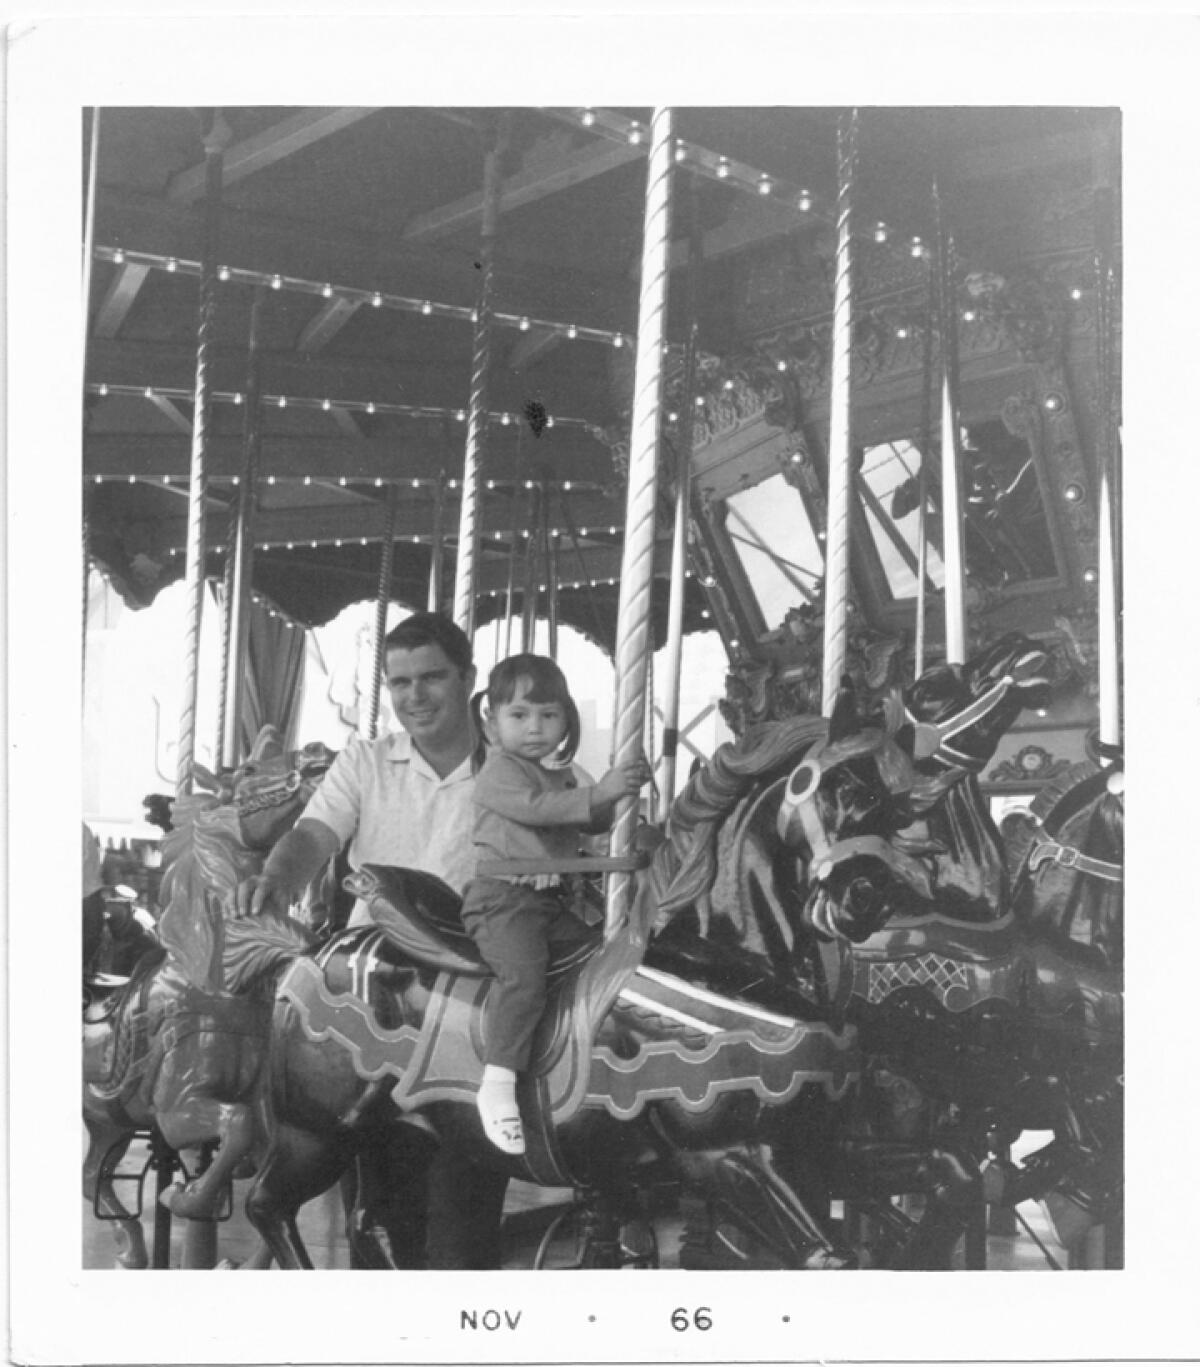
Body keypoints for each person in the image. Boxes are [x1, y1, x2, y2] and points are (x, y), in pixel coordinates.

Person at [234, 611, 505, 1270]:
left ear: (468, 679)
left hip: (465, 1003)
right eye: (399, 681)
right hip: (374, 1000)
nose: (414, 695)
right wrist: (277, 872)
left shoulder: (512, 767)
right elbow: (316, 833)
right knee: (379, 1211)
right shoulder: (367, 760)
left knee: (464, 1214)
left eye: (431, 678)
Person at [463, 653, 648, 1155]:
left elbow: (584, 824)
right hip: (502, 903)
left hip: (546, 904)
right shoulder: (498, 771)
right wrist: (600, 793)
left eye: (548, 715)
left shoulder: (560, 775)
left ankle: (571, 1065)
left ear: (567, 719)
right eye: (519, 715)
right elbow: (536, 811)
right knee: (523, 979)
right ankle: (497, 1085)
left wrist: (615, 797)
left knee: (603, 967)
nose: (535, 728)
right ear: (493, 721)